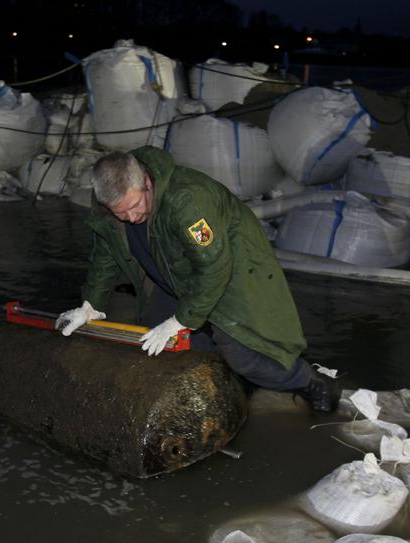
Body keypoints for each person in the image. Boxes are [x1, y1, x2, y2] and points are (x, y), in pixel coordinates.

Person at [56, 146, 339, 412]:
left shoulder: (188, 200)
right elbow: (105, 254)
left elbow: (214, 267)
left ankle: (308, 381)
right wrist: (90, 304)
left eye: (135, 205)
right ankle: (226, 382)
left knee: (244, 351)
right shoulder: (109, 201)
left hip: (229, 268)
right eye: (121, 213)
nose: (131, 217)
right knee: (153, 341)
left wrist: (181, 320)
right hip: (174, 273)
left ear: (147, 182)